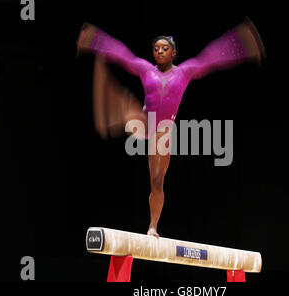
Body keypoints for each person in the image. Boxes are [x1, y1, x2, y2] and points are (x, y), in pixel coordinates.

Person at [76, 17, 266, 238]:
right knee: (130, 110)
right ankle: (113, 106)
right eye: (156, 49)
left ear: (174, 52)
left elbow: (211, 58)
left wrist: (244, 43)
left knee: (157, 183)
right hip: (145, 122)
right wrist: (92, 39)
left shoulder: (184, 72)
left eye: (165, 48)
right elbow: (122, 54)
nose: (159, 52)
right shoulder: (145, 69)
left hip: (163, 133)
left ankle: (153, 226)